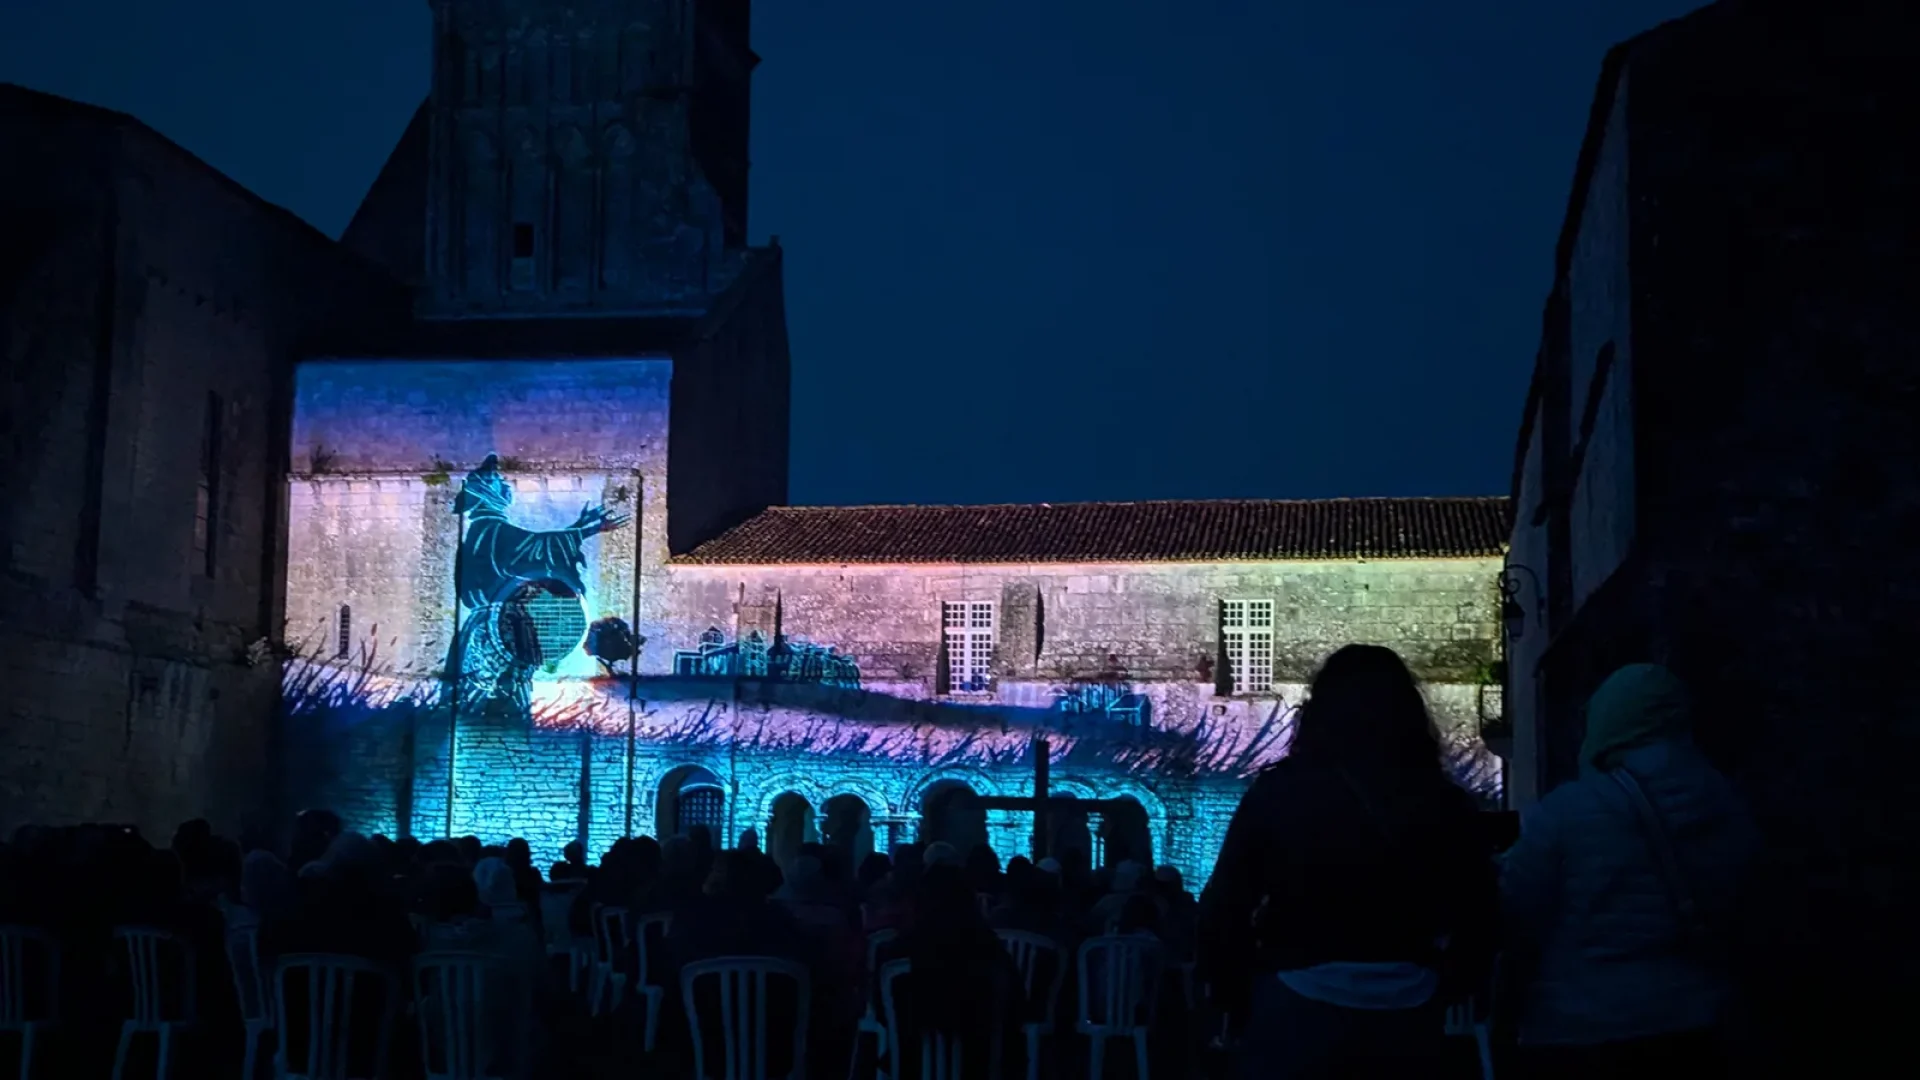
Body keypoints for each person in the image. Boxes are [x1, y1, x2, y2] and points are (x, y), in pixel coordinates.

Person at [1198, 644, 1498, 1078]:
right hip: (1407, 1004)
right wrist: (1447, 984)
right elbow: (1480, 912)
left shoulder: (1280, 794)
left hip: (1298, 998)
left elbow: (1224, 906)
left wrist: (1237, 996)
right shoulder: (1443, 802)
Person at [1500, 664, 1761, 1077]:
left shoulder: (1567, 812)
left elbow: (1517, 914)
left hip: (1578, 1027)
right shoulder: (1728, 806)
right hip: (1692, 1022)